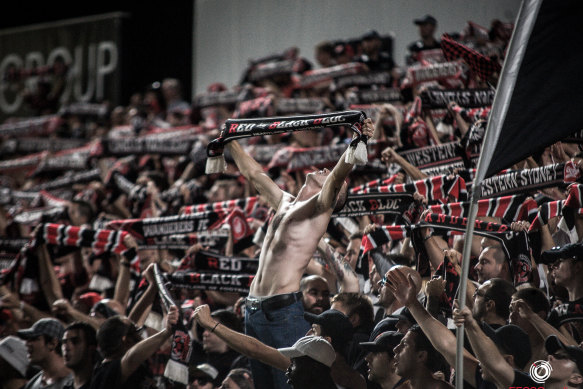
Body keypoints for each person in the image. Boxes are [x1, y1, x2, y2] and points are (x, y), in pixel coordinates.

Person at [226, 117, 374, 388]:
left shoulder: (319, 210)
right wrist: (230, 140)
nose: (326, 170)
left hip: (283, 312)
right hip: (254, 309)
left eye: (330, 177)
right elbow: (255, 175)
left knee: (293, 382)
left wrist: (356, 144)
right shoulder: (285, 202)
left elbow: (337, 177)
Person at [89, 305, 178, 389]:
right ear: (126, 340)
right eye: (136, 332)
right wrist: (166, 332)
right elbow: (131, 357)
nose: (141, 336)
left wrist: (152, 290)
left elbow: (132, 319)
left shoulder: (136, 366)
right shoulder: (106, 374)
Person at [17, 318, 73, 389]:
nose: (27, 344)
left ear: (52, 343)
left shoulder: (76, 381)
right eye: (28, 339)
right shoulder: (32, 384)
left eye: (34, 339)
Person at [62, 322, 98, 389]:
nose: (66, 347)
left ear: (91, 348)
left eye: (75, 342)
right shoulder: (66, 387)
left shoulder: (102, 383)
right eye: (64, 342)